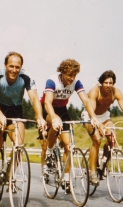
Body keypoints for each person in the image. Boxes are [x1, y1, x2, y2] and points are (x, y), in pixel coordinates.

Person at [41, 59, 102, 189]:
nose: (72, 78)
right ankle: (50, 151)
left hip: (62, 109)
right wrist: (53, 117)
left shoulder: (76, 82)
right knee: (54, 124)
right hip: (48, 107)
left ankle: (67, 178)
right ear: (62, 72)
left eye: (74, 75)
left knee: (68, 146)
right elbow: (47, 102)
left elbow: (86, 100)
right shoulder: (52, 81)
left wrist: (93, 117)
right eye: (69, 75)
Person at [0, 51, 46, 177]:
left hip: (15, 109)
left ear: (21, 67)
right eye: (11, 66)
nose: (14, 70)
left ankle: (9, 176)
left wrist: (39, 116)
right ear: (5, 65)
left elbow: (34, 98)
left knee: (19, 145)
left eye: (17, 67)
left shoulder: (26, 76)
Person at [82, 70, 123, 180]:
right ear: (101, 83)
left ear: (113, 84)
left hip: (104, 116)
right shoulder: (94, 91)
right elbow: (91, 111)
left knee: (112, 138)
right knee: (97, 139)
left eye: (110, 83)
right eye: (105, 83)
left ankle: (103, 164)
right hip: (90, 115)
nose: (108, 85)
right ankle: (92, 172)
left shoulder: (116, 92)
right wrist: (98, 125)